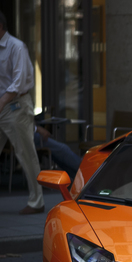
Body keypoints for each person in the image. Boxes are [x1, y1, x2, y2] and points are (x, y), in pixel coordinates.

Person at [0, 10, 45, 215]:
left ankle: (37, 202)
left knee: (26, 153)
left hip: (15, 106)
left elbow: (18, 83)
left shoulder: (16, 47)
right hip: (2, 105)